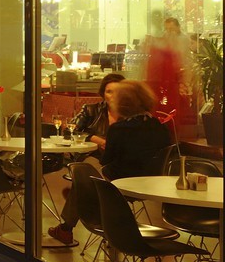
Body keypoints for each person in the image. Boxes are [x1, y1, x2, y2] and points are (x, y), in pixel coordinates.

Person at [49, 80, 173, 244]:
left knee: (82, 175)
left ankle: (68, 225)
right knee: (86, 180)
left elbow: (107, 160)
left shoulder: (119, 129)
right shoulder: (160, 127)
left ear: (123, 103)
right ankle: (75, 213)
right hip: (151, 183)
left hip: (119, 183)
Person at [71, 72, 124, 160]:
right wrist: (94, 138)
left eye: (118, 92)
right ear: (103, 93)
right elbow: (69, 131)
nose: (114, 96)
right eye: (109, 92)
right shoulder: (90, 110)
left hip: (121, 158)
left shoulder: (132, 113)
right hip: (93, 155)